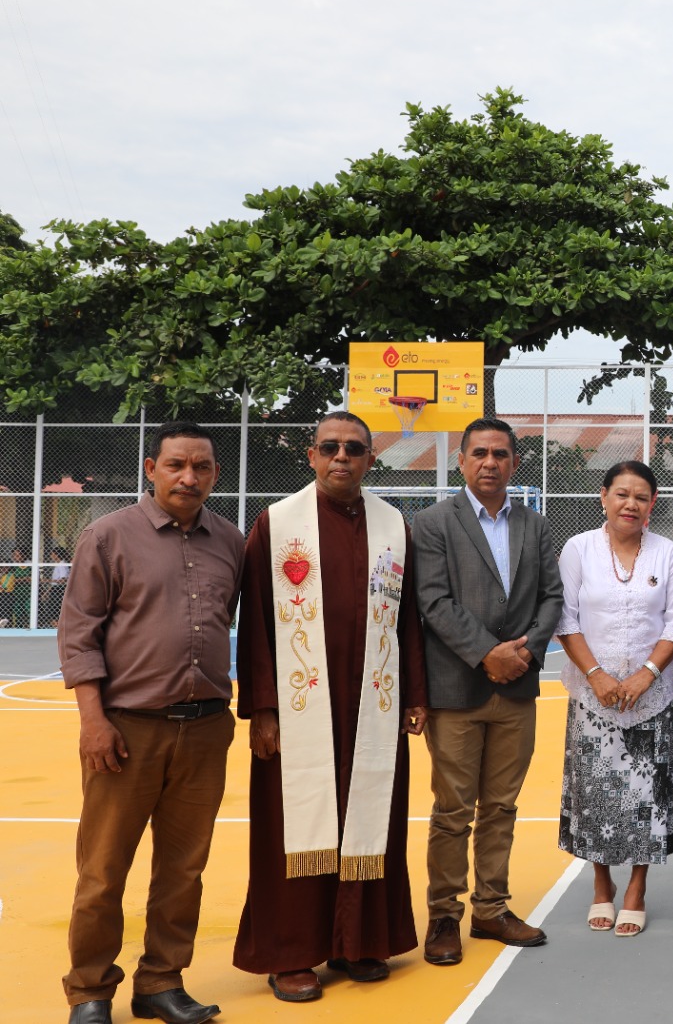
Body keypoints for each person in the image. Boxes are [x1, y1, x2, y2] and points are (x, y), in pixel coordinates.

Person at [232, 411, 430, 1003]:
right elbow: (258, 623)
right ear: (312, 456)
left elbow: (407, 620)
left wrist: (415, 695)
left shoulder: (395, 525)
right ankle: (292, 953)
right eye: (330, 447)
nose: (341, 457)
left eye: (354, 448)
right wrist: (262, 708)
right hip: (298, 709)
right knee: (294, 825)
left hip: (374, 701)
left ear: (371, 458)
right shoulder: (277, 525)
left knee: (373, 818)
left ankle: (360, 940)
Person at [57, 421, 245, 1024]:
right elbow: (79, 634)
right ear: (151, 468)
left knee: (183, 870)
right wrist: (94, 720)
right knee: (104, 870)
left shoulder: (232, 542)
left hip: (207, 728)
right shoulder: (108, 536)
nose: (189, 477)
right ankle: (89, 992)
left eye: (202, 467)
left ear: (215, 474)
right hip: (127, 731)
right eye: (176, 465)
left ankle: (160, 982)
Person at [412, 417, 563, 965]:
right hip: (457, 688)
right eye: (479, 453)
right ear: (461, 460)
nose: (490, 463)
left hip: (517, 689)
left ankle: (491, 909)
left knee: (501, 806)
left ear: (514, 463)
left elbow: (552, 598)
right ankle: (444, 916)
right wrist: (487, 653)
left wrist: (523, 653)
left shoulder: (535, 525)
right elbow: (434, 601)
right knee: (453, 809)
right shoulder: (432, 523)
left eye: (500, 454)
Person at [556, 460, 673, 937]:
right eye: (621, 494)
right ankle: (601, 885)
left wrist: (645, 676)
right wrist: (594, 675)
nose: (630, 504)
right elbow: (566, 619)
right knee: (593, 795)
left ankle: (636, 887)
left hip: (649, 699)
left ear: (652, 504)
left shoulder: (666, 553)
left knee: (647, 798)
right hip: (592, 697)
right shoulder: (578, 549)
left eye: (640, 496)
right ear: (604, 497)